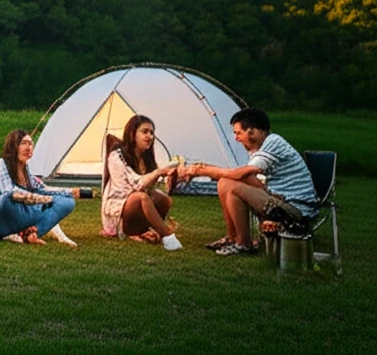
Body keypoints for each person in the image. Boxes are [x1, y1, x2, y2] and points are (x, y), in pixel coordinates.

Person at [180, 107, 318, 256]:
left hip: (296, 211)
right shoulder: (259, 149)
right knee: (224, 182)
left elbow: (244, 173)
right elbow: (249, 178)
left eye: (238, 133)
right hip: (282, 200)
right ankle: (233, 238)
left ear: (251, 131)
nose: (236, 138)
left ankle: (243, 244)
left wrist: (203, 171)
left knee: (231, 186)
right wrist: (202, 168)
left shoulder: (274, 142)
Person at [0, 129, 79, 247]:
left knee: (66, 202)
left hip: (14, 220)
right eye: (23, 143)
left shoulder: (26, 170)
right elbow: (10, 191)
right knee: (8, 198)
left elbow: (43, 189)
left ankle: (32, 234)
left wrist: (72, 192)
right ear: (13, 146)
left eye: (30, 144)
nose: (28, 148)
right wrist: (42, 199)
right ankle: (9, 233)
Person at [100, 115, 183, 251]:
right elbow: (136, 185)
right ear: (132, 134)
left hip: (133, 205)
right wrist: (158, 172)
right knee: (142, 198)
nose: (149, 136)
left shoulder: (146, 157)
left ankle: (146, 231)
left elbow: (149, 189)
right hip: (117, 211)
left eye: (152, 133)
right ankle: (168, 236)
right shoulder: (117, 155)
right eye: (144, 132)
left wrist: (170, 176)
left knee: (164, 199)